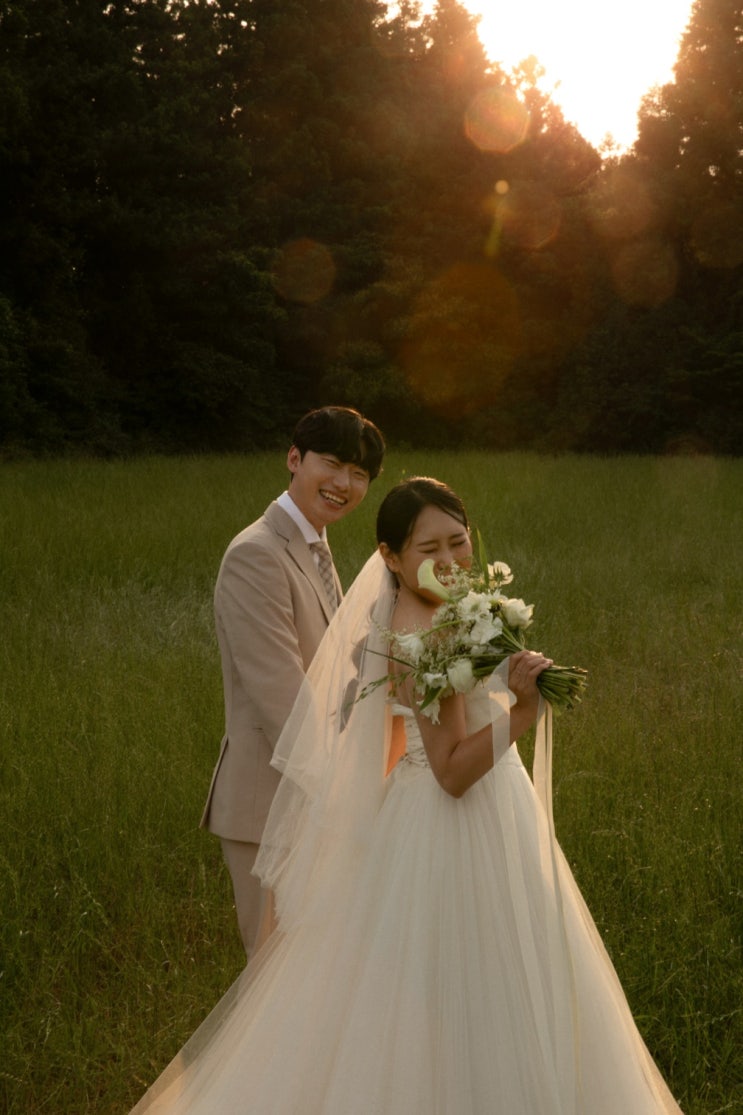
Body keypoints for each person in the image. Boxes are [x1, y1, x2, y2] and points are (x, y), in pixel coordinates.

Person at [131, 477, 683, 1114]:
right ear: (391, 557)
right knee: (468, 982)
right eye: (429, 549)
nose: (450, 560)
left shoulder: (437, 611)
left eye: (459, 541)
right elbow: (450, 771)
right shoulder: (421, 636)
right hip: (455, 821)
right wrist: (524, 711)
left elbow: (402, 736)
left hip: (466, 810)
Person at [201, 405, 385, 953]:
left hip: (312, 796)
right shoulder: (256, 554)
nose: (343, 484)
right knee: (272, 975)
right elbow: (282, 698)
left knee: (314, 968)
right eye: (332, 463)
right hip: (269, 806)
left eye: (359, 474)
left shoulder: (313, 545)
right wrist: (349, 795)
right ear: (294, 459)